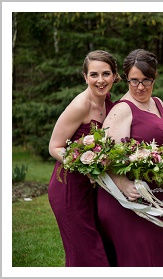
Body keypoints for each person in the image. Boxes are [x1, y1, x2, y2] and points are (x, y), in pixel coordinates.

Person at [98, 49, 163, 266]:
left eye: (147, 80)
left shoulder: (158, 103)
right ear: (126, 78)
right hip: (132, 201)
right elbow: (106, 158)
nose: (140, 87)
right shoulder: (122, 110)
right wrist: (123, 184)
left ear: (155, 77)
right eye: (134, 81)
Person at [46, 50, 119, 267]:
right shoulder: (80, 105)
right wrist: (84, 164)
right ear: (85, 76)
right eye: (94, 75)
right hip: (69, 187)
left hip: (94, 188)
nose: (100, 80)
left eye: (106, 74)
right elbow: (54, 147)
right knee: (86, 251)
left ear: (115, 76)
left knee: (102, 243)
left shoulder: (107, 100)